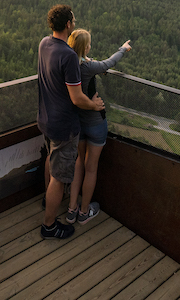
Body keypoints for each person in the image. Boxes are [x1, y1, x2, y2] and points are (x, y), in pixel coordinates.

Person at [37, 4, 104, 240]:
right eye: (73, 20)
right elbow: (77, 99)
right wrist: (94, 105)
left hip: (45, 118)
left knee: (51, 160)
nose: (74, 22)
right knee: (59, 176)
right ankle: (49, 226)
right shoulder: (67, 55)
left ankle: (48, 200)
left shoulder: (45, 44)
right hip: (64, 126)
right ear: (68, 24)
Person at [65, 29, 131, 226]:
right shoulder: (88, 67)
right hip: (94, 122)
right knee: (90, 168)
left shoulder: (69, 64)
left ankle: (71, 209)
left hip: (78, 122)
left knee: (78, 164)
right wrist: (123, 48)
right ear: (85, 47)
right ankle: (84, 212)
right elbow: (109, 63)